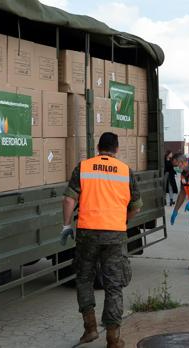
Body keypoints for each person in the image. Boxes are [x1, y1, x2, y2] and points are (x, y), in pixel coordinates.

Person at [61, 132, 142, 348]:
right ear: (116, 148)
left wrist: (66, 225)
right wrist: (122, 221)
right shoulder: (126, 171)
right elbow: (136, 205)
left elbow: (69, 199)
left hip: (87, 233)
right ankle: (113, 339)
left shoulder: (84, 167)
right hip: (114, 234)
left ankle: (90, 329)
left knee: (84, 279)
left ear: (98, 147)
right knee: (113, 285)